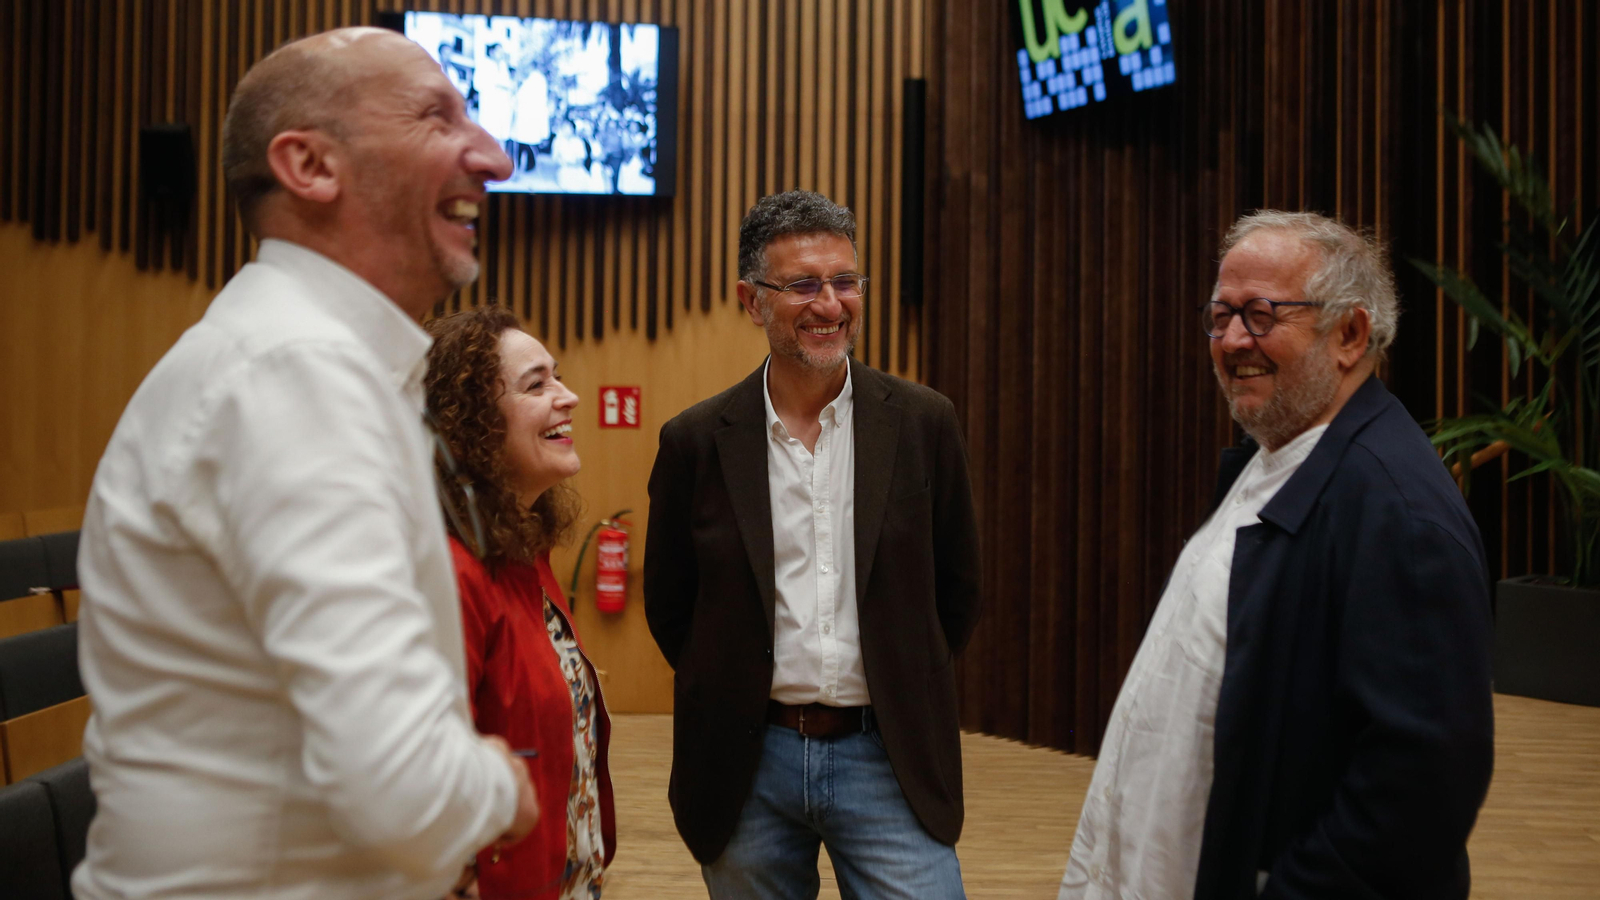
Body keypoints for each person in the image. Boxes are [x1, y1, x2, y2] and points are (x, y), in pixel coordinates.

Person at [73, 27, 537, 899]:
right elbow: (404, 792)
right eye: (438, 117)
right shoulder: (294, 372)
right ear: (310, 167)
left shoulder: (305, 359)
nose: (495, 157)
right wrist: (499, 787)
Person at [1058, 211, 1495, 900]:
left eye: (1261, 316)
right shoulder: (1277, 459)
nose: (1233, 341)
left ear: (1349, 334)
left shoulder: (1398, 517)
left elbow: (1416, 796)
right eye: (1221, 314)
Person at [644, 190, 982, 899]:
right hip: (745, 761)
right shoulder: (695, 441)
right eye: (802, 284)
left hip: (887, 757)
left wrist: (893, 677)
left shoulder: (924, 424)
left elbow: (958, 591)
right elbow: (673, 608)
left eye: (845, 281)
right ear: (751, 299)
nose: (830, 305)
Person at [424, 306, 616, 900]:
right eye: (538, 384)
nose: (569, 397)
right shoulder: (452, 575)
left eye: (557, 376)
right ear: (472, 425)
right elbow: (422, 782)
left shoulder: (524, 553)